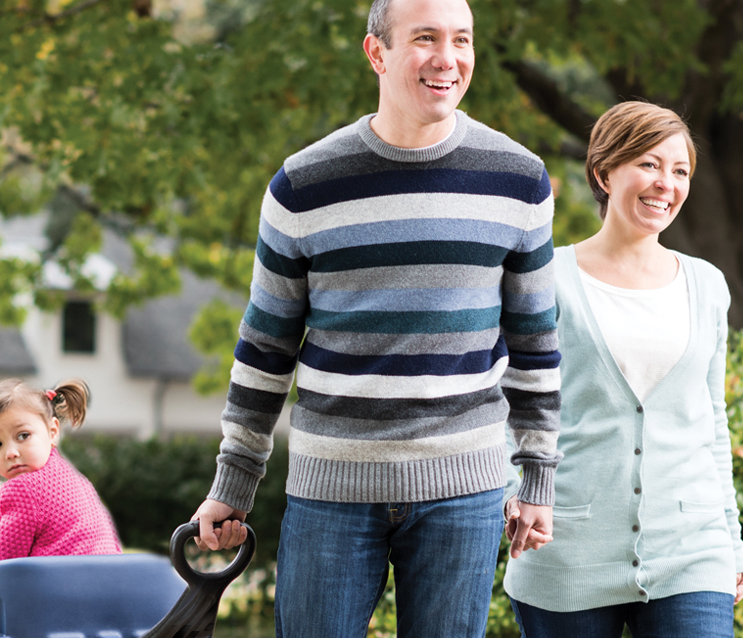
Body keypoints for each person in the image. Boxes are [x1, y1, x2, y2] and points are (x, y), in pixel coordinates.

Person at [188, 0, 562, 633]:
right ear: (377, 53)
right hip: (331, 488)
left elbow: (535, 345)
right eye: (425, 38)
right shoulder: (302, 186)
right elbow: (265, 348)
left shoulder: (519, 181)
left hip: (464, 491)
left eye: (462, 40)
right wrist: (236, 480)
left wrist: (538, 478)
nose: (448, 58)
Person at [500, 101, 743, 637]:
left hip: (691, 551)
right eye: (648, 164)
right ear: (603, 172)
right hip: (565, 547)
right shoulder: (545, 277)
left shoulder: (707, 285)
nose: (666, 183)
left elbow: (711, 422)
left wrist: (731, 541)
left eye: (680, 170)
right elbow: (506, 403)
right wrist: (513, 493)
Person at [0, 378, 123, 563]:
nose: (11, 453)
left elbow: (3, 563)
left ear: (52, 431)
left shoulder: (21, 490)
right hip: (110, 576)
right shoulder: (79, 481)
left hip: (63, 586)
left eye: (23, 436)